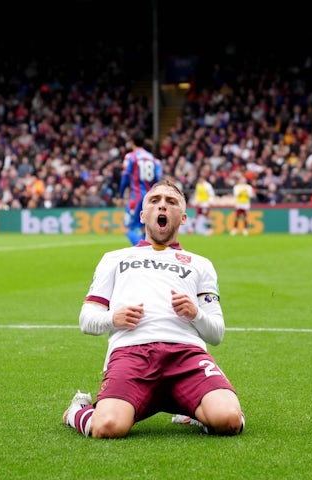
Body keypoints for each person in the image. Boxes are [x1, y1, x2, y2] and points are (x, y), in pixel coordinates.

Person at [62, 179, 245, 439]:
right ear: (143, 214)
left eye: (171, 202)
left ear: (182, 218)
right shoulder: (114, 259)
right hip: (132, 354)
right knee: (107, 427)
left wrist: (196, 313)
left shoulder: (200, 264)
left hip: (187, 355)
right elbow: (86, 319)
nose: (162, 206)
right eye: (155, 201)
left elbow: (216, 334)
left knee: (228, 420)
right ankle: (77, 411)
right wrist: (113, 318)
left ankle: (194, 410)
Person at [118, 130, 163, 246]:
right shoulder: (154, 160)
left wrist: (120, 195)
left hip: (137, 197)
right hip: (151, 198)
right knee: (145, 228)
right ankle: (149, 254)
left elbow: (125, 177)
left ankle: (142, 253)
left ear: (132, 142)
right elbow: (158, 180)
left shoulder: (131, 157)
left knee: (127, 227)